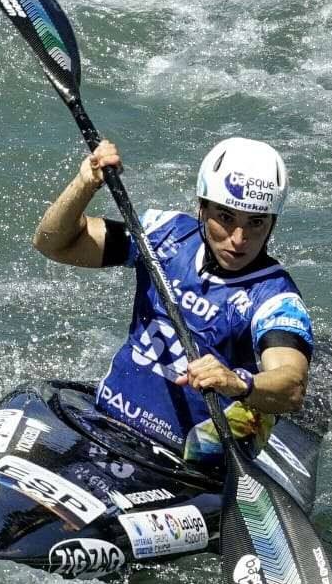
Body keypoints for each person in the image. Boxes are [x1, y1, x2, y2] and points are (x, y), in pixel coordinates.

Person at [31, 136, 314, 459]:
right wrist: (84, 184)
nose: (239, 238)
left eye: (256, 222)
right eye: (225, 217)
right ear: (201, 206)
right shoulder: (165, 236)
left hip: (183, 467)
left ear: (272, 222)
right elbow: (53, 244)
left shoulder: (276, 298)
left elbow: (291, 385)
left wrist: (237, 382)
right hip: (104, 427)